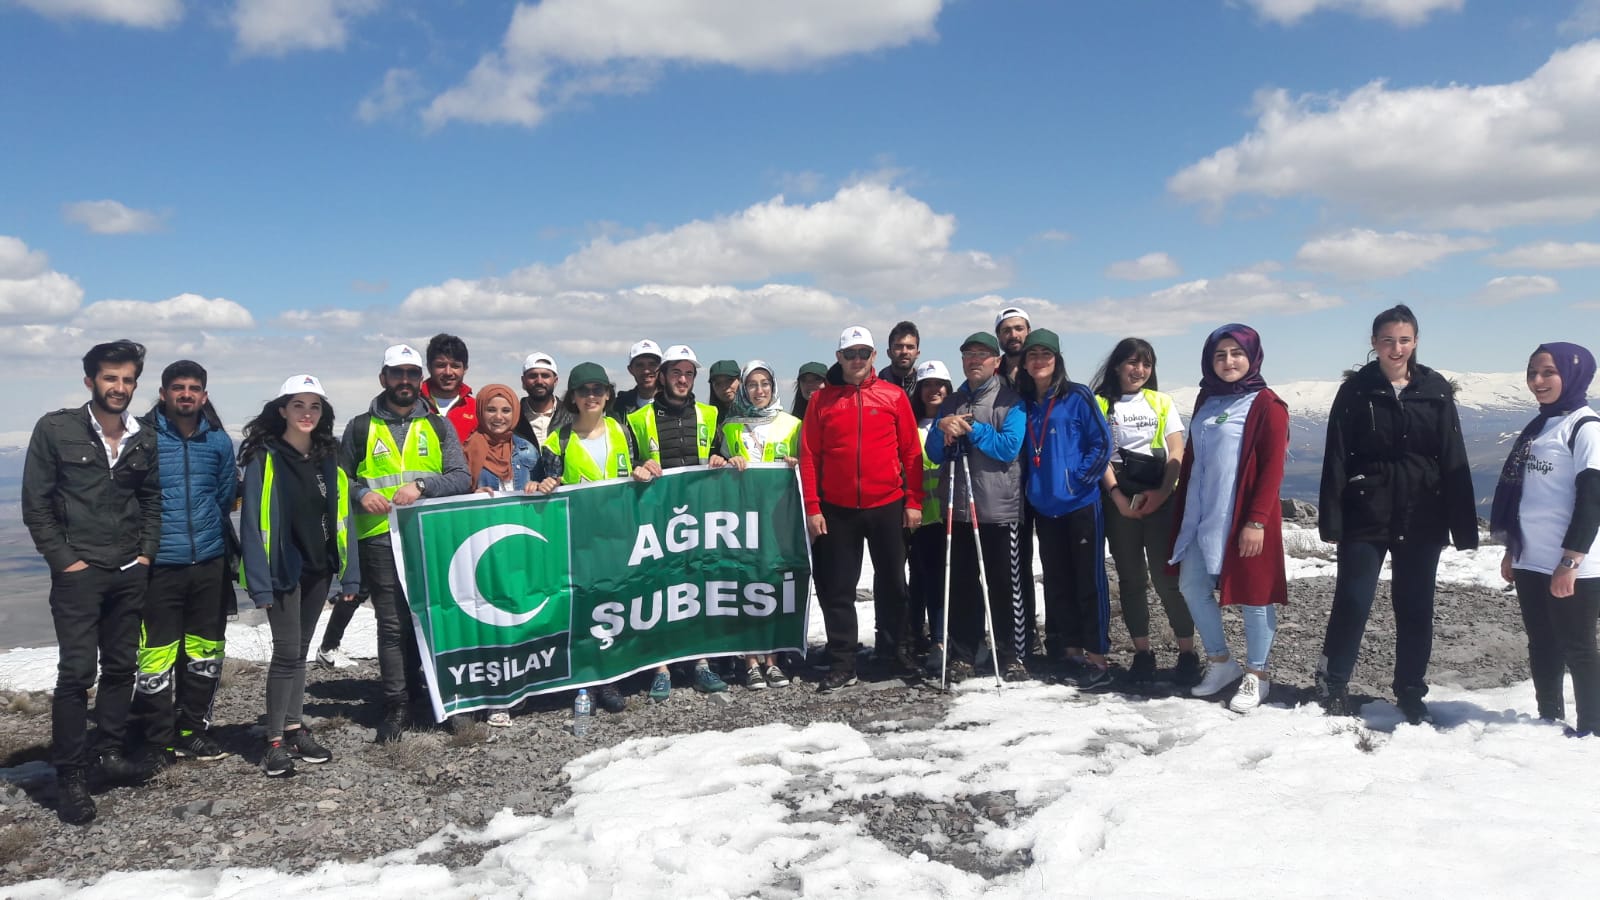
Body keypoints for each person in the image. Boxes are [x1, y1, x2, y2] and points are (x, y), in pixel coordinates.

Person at [22, 339, 161, 824]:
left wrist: (145, 555)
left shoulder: (144, 438)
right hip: (79, 575)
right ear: (91, 381)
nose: (119, 387)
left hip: (127, 571)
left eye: (127, 380)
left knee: (122, 667)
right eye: (110, 378)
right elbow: (36, 505)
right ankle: (72, 776)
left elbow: (151, 502)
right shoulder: (56, 430)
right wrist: (65, 561)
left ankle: (109, 754)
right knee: (77, 674)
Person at [1317, 305, 1478, 723]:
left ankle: (1410, 690)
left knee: (1415, 606)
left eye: (1404, 340)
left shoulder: (1436, 389)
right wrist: (1331, 518)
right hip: (1366, 510)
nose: (1396, 348)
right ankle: (1333, 683)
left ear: (1416, 341)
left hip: (1422, 513)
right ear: (1373, 343)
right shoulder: (1356, 391)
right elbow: (1336, 454)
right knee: (1353, 601)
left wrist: (1463, 527)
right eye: (1387, 340)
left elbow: (1452, 454)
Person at [337, 344, 472, 741]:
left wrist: (421, 486)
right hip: (378, 539)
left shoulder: (438, 426)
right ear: (384, 379)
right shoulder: (360, 427)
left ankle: (438, 697)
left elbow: (460, 478)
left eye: (413, 374)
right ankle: (396, 705)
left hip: (427, 537)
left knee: (433, 617)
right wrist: (361, 494)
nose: (406, 381)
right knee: (393, 624)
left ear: (420, 380)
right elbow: (339, 478)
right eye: (398, 374)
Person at [238, 375, 361, 776]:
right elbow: (253, 522)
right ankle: (274, 740)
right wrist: (259, 583)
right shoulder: (265, 457)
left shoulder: (329, 455)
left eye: (315, 407)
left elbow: (343, 515)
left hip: (318, 567)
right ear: (282, 410)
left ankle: (294, 726)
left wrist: (349, 573)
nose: (307, 414)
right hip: (281, 570)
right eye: (298, 405)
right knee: (286, 652)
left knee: (301, 651)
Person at [1168, 324, 1288, 714]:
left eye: (1236, 353)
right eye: (1220, 355)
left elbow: (1272, 469)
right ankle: (1221, 662)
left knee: (1254, 595)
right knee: (1191, 586)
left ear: (1252, 356)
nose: (1228, 361)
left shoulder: (1267, 404)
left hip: (1242, 517)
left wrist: (1256, 521)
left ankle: (1258, 673)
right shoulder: (1208, 399)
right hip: (1202, 514)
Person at [799, 326, 923, 692]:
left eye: (863, 353)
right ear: (838, 357)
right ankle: (843, 660)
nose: (857, 360)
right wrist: (813, 506)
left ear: (873, 357)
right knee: (837, 587)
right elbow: (810, 457)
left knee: (892, 583)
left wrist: (913, 501)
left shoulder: (892, 395)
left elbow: (911, 453)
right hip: (837, 509)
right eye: (849, 353)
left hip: (887, 503)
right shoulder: (821, 401)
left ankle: (892, 650)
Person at [130, 360, 238, 767]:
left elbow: (225, 495)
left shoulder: (219, 442)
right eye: (178, 388)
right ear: (163, 394)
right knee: (156, 654)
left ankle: (192, 730)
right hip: (159, 565)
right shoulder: (142, 439)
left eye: (194, 388)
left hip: (209, 561)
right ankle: (156, 739)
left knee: (205, 651)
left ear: (204, 396)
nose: (186, 394)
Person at [1491, 342, 1600, 738]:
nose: (1537, 381)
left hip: (1572, 563)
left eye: (1548, 372)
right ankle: (1549, 722)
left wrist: (1569, 563)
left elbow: (1592, 501)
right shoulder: (1542, 424)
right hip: (1530, 557)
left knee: (1579, 648)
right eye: (1532, 372)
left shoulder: (1586, 428)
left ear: (1573, 375)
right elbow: (1528, 495)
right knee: (1542, 645)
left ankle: (1592, 730)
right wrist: (1511, 550)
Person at [533, 362, 653, 715]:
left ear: (608, 394)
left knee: (615, 605)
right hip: (579, 538)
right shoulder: (558, 441)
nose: (591, 397)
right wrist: (545, 486)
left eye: (598, 390)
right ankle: (585, 678)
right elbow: (547, 483)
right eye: (583, 391)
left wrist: (642, 470)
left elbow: (636, 464)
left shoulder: (621, 429)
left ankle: (611, 677)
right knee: (585, 608)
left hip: (619, 535)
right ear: (572, 397)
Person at [626, 344, 745, 697]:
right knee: (660, 590)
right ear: (662, 376)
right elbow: (628, 463)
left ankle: (700, 663)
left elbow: (720, 453)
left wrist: (724, 459)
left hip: (699, 517)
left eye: (689, 373)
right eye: (676, 372)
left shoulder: (710, 415)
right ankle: (660, 667)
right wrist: (639, 468)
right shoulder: (637, 419)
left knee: (699, 588)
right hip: (657, 517)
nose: (682, 379)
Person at [1091, 339, 1199, 687]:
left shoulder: (1160, 401)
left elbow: (1177, 449)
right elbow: (1099, 453)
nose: (1139, 370)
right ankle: (1143, 653)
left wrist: (1164, 491)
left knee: (1168, 579)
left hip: (1160, 498)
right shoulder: (1099, 403)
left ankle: (1187, 652)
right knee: (1131, 578)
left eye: (1146, 364)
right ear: (1117, 365)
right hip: (1118, 498)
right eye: (1132, 363)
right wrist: (1118, 496)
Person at [926, 332, 1029, 682]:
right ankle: (964, 652)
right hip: (958, 507)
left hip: (1000, 507)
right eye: (968, 355)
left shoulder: (1011, 401)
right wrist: (942, 428)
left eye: (982, 355)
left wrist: (972, 429)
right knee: (962, 586)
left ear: (996, 362)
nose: (974, 361)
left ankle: (1011, 652)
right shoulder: (952, 401)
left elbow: (1008, 447)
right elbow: (934, 453)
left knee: (1004, 585)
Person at [1016, 330, 1114, 687]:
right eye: (1032, 355)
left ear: (1057, 359)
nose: (1038, 360)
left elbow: (1101, 442)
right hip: (1044, 506)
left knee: (1089, 581)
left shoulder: (1076, 395)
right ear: (1024, 363)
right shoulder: (1024, 403)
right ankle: (1072, 652)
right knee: (1057, 581)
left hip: (1080, 504)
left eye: (1045, 354)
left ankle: (1099, 658)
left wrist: (1078, 480)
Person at [720, 360, 802, 690]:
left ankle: (774, 659)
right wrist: (727, 462)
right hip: (742, 517)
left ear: (773, 386)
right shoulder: (730, 426)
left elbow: (806, 465)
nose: (759, 390)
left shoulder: (792, 424)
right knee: (745, 583)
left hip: (779, 517)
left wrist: (796, 465)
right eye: (752, 384)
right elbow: (717, 469)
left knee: (775, 583)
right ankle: (750, 660)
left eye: (764, 383)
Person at [908, 360, 952, 665]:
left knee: (941, 578)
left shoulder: (954, 420)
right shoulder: (909, 423)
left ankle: (940, 638)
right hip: (916, 515)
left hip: (948, 515)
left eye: (939, 385)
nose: (933, 390)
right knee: (918, 578)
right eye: (926, 385)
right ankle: (913, 635)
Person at [467, 384, 542, 495]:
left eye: (506, 411)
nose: (498, 417)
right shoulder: (466, 451)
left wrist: (538, 486)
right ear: (480, 412)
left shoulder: (527, 450)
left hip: (522, 512)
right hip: (486, 512)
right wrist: (472, 496)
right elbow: (457, 496)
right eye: (491, 410)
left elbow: (543, 488)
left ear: (515, 413)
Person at [420, 333, 478, 443]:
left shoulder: (476, 410)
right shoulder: (413, 405)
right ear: (429, 367)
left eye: (455, 366)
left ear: (465, 369)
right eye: (441, 365)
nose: (448, 372)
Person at [513, 352, 571, 447]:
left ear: (555, 381)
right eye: (533, 376)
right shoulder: (513, 418)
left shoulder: (570, 416)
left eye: (545, 376)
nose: (539, 381)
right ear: (523, 381)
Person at [614, 339, 663, 414]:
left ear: (661, 368)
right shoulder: (618, 406)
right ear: (630, 370)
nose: (646, 371)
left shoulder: (676, 403)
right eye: (640, 365)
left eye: (652, 364)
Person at [879, 321, 922, 396]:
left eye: (910, 347)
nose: (904, 351)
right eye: (898, 347)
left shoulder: (924, 387)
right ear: (889, 353)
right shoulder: (877, 387)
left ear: (917, 354)